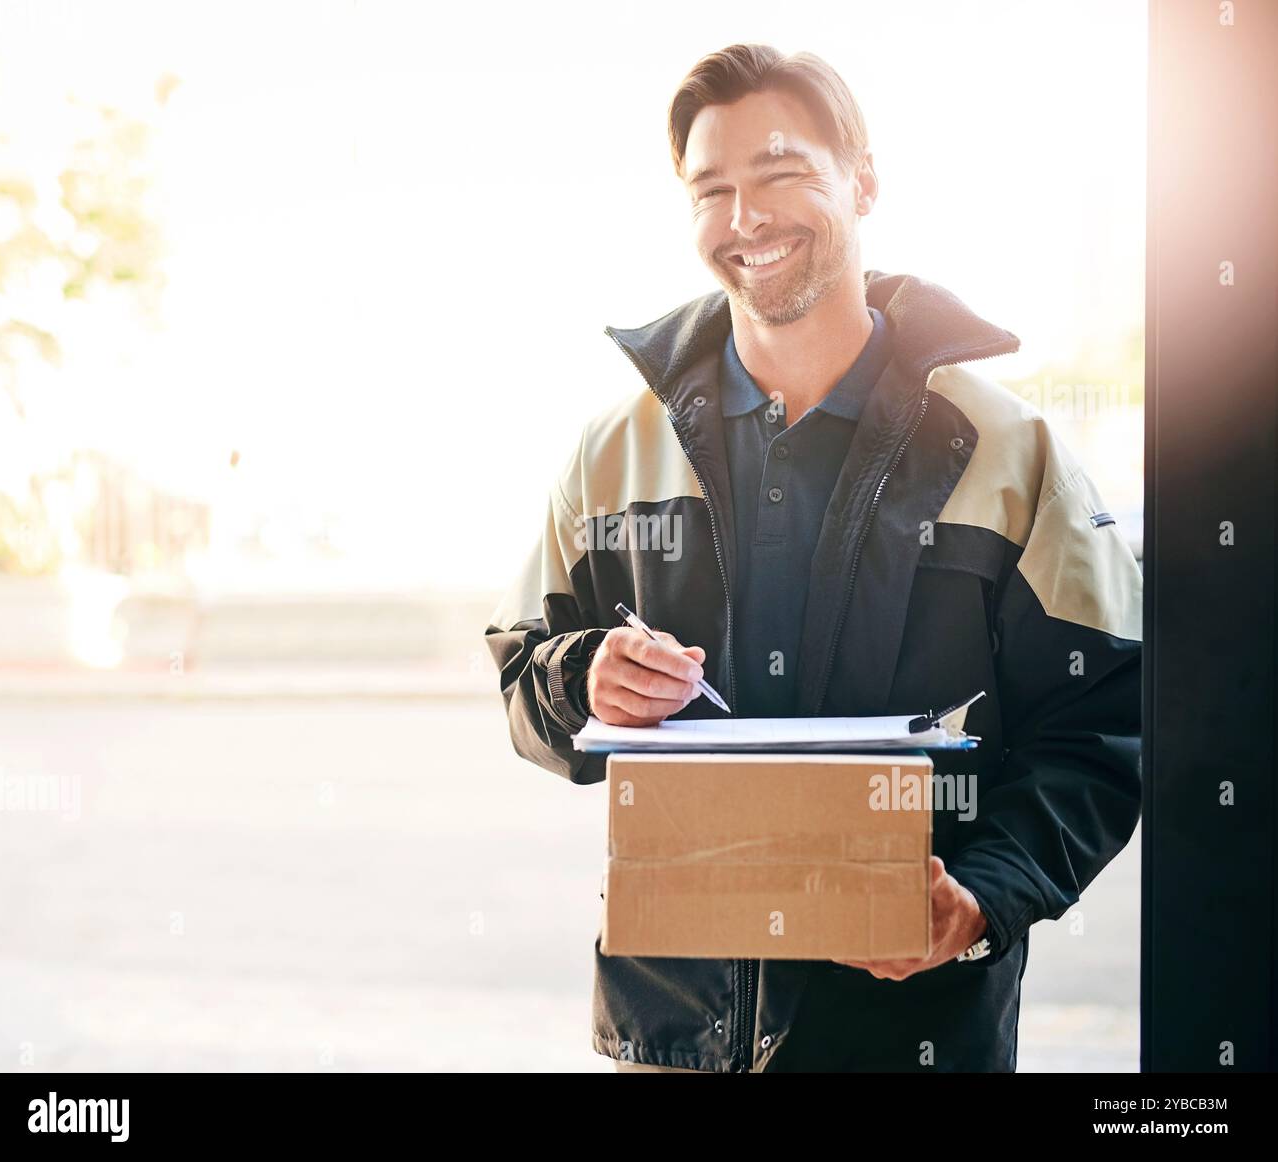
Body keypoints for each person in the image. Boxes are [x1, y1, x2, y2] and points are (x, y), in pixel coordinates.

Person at [484, 43, 1142, 1073]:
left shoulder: (1015, 454)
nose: (745, 218)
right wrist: (582, 681)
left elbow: (1104, 726)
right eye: (713, 189)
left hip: (912, 1033)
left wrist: (981, 900)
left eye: (780, 173)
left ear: (862, 181)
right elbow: (526, 675)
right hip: (670, 1041)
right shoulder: (613, 452)